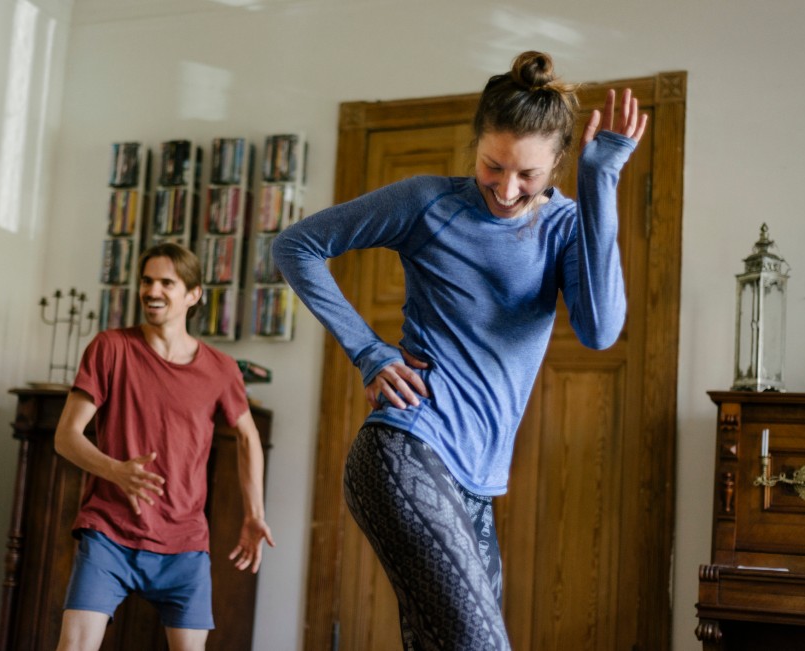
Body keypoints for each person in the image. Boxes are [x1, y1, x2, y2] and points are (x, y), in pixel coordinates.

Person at [272, 50, 646, 650]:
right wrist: (369, 350)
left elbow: (600, 330)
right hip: (406, 451)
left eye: (528, 174)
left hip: (476, 487)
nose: (505, 189)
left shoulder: (566, 226)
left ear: (559, 161)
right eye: (492, 166)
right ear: (476, 145)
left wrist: (602, 181)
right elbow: (296, 246)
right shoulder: (427, 202)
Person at [53, 242, 275, 651]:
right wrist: (116, 471)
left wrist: (254, 513)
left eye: (166, 283)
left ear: (193, 295)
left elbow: (249, 436)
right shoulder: (110, 348)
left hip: (184, 544)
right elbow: (66, 435)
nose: (152, 291)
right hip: (109, 533)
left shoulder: (221, 370)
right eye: (146, 281)